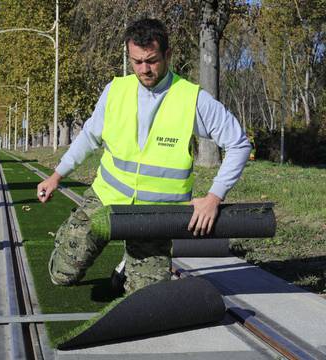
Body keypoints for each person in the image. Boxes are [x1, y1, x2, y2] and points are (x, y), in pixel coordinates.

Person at [37, 18, 251, 295]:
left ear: (167, 55)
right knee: (61, 277)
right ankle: (71, 238)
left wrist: (214, 197)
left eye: (151, 60)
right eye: (136, 62)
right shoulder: (115, 91)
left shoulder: (193, 99)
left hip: (155, 215)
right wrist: (56, 175)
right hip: (106, 198)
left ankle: (127, 266)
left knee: (147, 297)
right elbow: (89, 135)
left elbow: (239, 144)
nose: (144, 70)